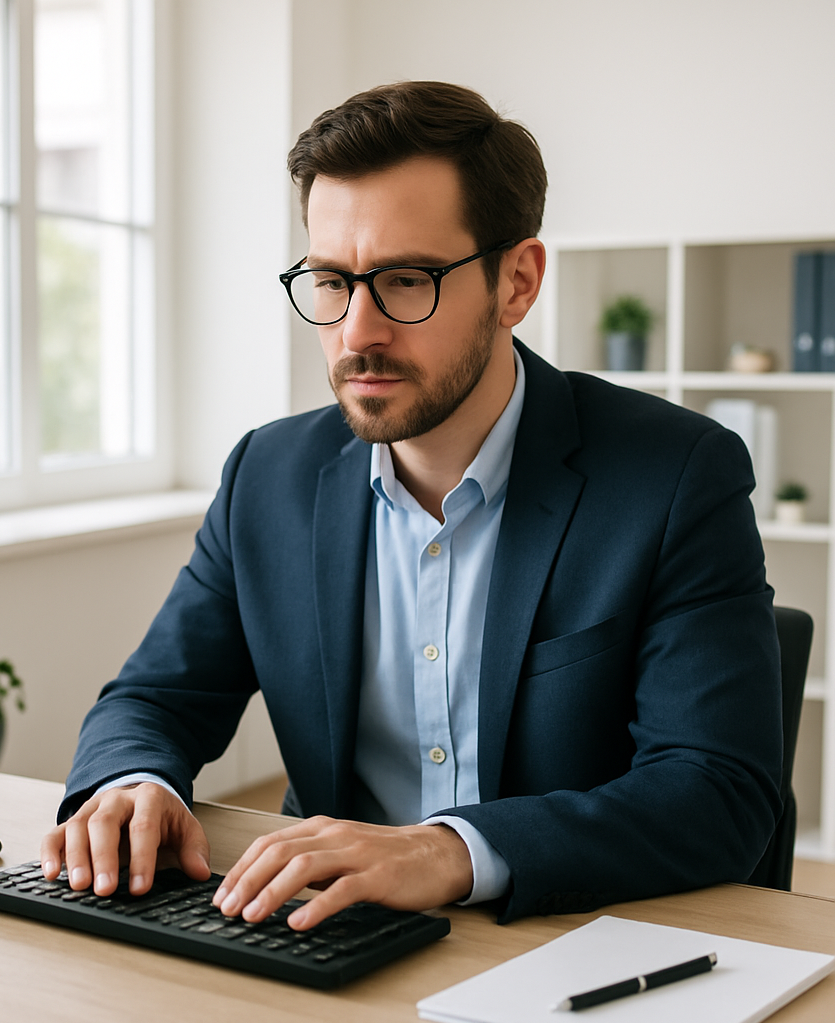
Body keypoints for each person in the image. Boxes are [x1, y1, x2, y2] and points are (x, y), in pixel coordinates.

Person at [41, 81, 783, 927]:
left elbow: (718, 789)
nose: (357, 331)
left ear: (517, 281)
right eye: (330, 282)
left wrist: (450, 850)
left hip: (564, 938)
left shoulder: (676, 474)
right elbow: (154, 698)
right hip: (323, 935)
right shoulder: (269, 474)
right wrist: (132, 785)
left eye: (404, 280)